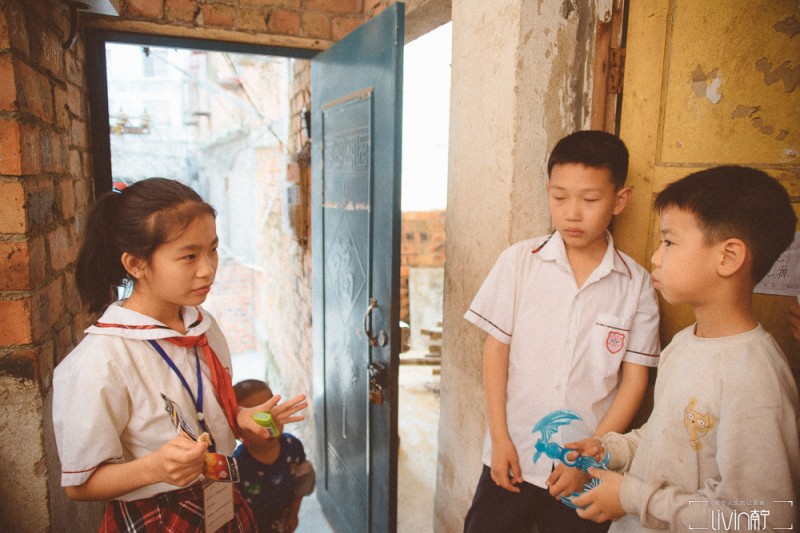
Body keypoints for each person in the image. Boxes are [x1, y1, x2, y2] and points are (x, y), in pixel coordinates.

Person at [52, 177, 308, 532]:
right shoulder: (100, 361)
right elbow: (78, 485)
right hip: (157, 516)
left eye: (213, 250)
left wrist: (240, 418)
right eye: (189, 256)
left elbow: (201, 409)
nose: (208, 269)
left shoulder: (203, 326)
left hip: (221, 496)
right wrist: (154, 468)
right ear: (136, 264)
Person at [568, 166, 800, 531]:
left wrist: (632, 497)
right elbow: (667, 437)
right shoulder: (683, 344)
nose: (656, 257)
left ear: (728, 258)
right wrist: (612, 449)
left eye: (669, 242)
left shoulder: (754, 376)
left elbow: (764, 519)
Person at [462, 130, 661, 533]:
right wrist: (499, 439)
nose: (572, 213)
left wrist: (590, 460)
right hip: (512, 457)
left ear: (620, 200)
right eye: (559, 197)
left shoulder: (635, 284)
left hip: (582, 474)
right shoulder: (520, 262)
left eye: (589, 200)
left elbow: (633, 382)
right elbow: (495, 351)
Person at [233, 379, 316, 532]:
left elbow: (301, 482)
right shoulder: (237, 466)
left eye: (273, 412)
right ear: (237, 430)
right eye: (258, 418)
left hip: (283, 522)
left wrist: (293, 513)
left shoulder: (292, 446)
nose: (269, 424)